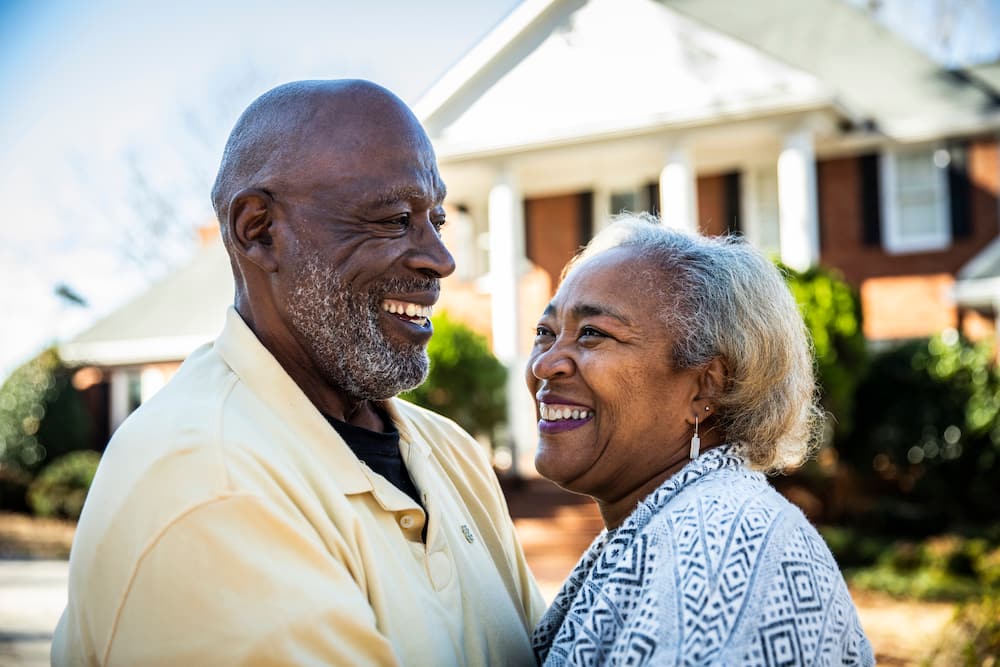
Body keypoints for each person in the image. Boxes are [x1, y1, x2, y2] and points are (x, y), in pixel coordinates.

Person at [52, 79, 545, 666]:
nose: (440, 257)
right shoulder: (207, 480)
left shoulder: (450, 453)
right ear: (257, 231)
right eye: (392, 219)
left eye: (435, 218)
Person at [527, 214, 874, 666]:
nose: (545, 364)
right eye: (545, 333)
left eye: (593, 333)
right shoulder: (677, 525)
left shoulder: (721, 551)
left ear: (707, 386)